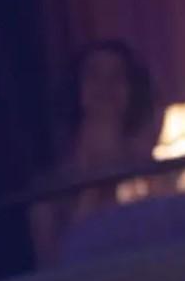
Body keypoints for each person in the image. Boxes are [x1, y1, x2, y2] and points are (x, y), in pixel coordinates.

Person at [29, 40, 156, 266]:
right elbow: (54, 267)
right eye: (94, 76)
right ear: (77, 89)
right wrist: (93, 184)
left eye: (118, 76)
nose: (106, 86)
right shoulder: (48, 189)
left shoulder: (152, 175)